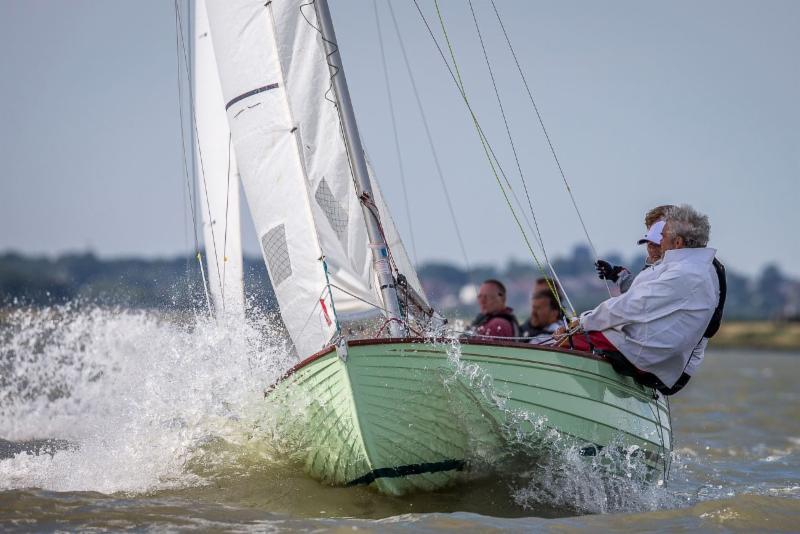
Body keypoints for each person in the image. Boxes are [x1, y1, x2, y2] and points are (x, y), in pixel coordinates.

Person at [558, 204, 720, 395]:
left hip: (649, 358)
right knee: (586, 335)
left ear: (677, 243)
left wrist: (582, 323)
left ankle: (578, 402)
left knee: (568, 341)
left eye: (662, 236)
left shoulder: (684, 273)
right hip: (665, 360)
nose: (658, 242)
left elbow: (632, 305)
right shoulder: (702, 270)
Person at [595, 205, 674, 293]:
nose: (651, 248)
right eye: (649, 242)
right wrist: (616, 274)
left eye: (658, 242)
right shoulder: (652, 269)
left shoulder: (676, 272)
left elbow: (643, 297)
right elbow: (639, 293)